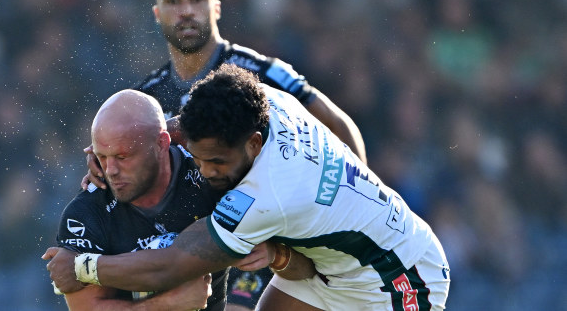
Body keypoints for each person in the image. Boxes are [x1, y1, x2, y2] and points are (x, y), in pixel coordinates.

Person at [45, 65, 450, 310]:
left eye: (217, 162)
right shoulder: (265, 101)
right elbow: (190, 126)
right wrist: (131, 146)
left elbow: (174, 261)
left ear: (254, 144)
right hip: (330, 268)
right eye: (200, 158)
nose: (204, 171)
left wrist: (82, 266)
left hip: (398, 277)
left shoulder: (263, 197)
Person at [82, 0, 367, 309]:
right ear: (157, 15)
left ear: (216, 8)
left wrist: (358, 206)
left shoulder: (261, 72)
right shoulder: (146, 100)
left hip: (263, 244)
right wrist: (107, 164)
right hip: (189, 248)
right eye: (173, 1)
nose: (186, 10)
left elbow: (339, 125)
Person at [50, 88, 315, 310]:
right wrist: (167, 304)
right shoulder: (85, 214)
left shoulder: (213, 175)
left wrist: (275, 255)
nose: (110, 171)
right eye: (102, 156)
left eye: (122, 157)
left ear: (162, 143)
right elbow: (90, 308)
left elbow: (310, 269)